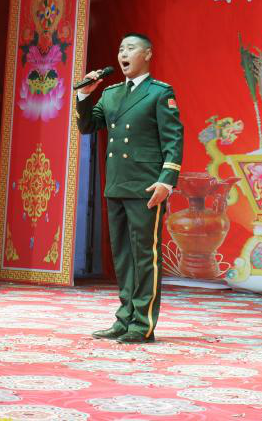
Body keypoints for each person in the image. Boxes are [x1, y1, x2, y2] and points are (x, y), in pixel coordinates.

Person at [76, 33, 184, 344]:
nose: (123, 54)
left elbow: (173, 139)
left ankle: (142, 323)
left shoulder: (159, 93)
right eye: (121, 49)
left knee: (144, 256)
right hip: (117, 184)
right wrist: (84, 95)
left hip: (146, 185)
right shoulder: (110, 94)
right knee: (123, 257)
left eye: (131, 48)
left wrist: (166, 180)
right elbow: (88, 126)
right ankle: (124, 318)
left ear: (147, 54)